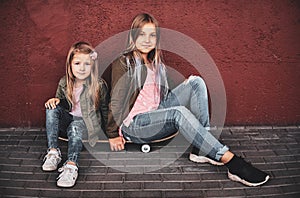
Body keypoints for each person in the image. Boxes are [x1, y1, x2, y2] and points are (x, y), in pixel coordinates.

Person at [106, 13, 270, 187]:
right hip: (136, 125)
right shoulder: (124, 62)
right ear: (133, 36)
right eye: (142, 34)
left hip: (157, 114)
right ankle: (232, 162)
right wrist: (112, 134)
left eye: (152, 35)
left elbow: (159, 95)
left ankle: (201, 149)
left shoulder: (156, 64)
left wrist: (184, 87)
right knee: (179, 113)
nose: (147, 40)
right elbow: (116, 100)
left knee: (195, 82)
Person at [42, 42, 109, 187]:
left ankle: (71, 165)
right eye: (77, 63)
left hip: (85, 125)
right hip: (67, 121)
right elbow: (60, 106)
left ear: (92, 67)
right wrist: (55, 101)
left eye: (87, 64)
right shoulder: (64, 83)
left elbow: (105, 110)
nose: (82, 68)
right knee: (51, 107)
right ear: (70, 65)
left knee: (76, 126)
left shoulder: (98, 85)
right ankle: (53, 152)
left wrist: (109, 134)